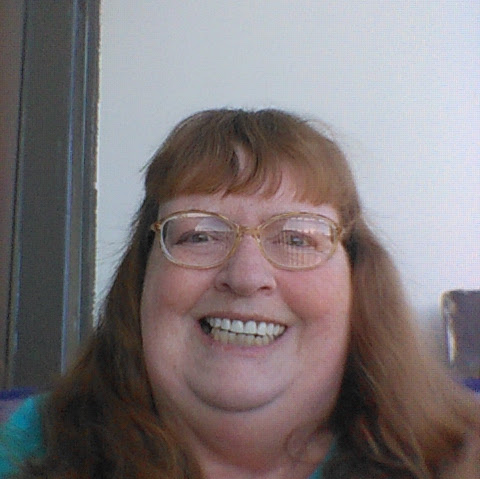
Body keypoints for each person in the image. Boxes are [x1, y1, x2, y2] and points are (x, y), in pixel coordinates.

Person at [0, 108, 479, 479]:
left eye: (297, 239)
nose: (247, 276)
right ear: (142, 276)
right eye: (199, 236)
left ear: (358, 280)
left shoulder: (461, 455)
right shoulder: (32, 446)